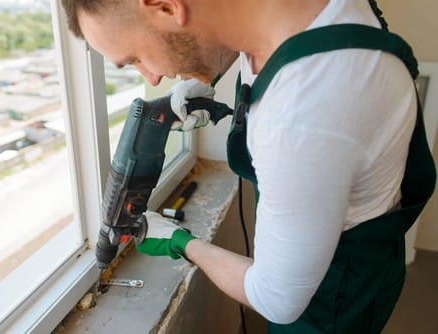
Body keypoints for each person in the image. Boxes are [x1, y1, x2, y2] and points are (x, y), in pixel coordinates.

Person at [61, 0, 436, 332]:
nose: (153, 77)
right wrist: (215, 76)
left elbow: (277, 300)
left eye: (136, 58)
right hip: (362, 256)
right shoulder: (287, 13)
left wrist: (181, 242)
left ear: (166, 6)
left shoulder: (303, 112)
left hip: (335, 302)